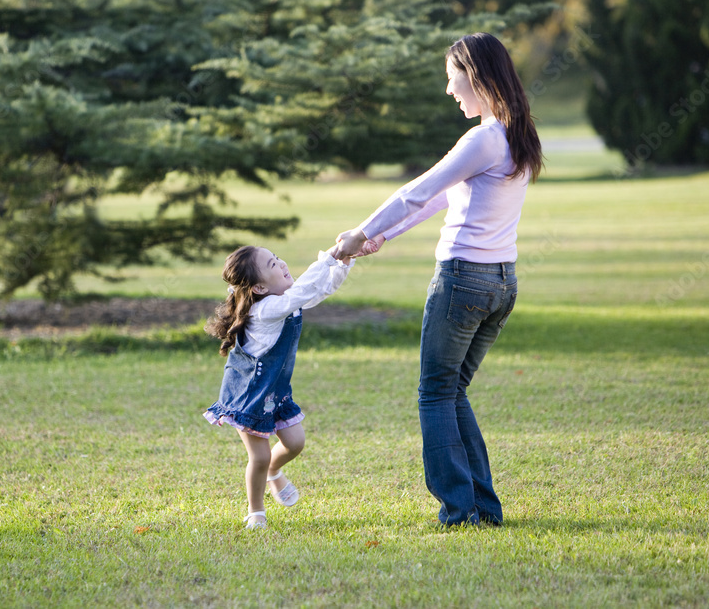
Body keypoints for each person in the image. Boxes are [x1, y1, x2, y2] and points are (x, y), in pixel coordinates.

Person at [331, 32, 543, 526]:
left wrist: (357, 233)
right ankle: (482, 509)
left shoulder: (484, 137)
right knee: (452, 392)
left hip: (462, 282)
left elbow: (416, 189)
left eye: (453, 80)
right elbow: (438, 199)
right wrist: (379, 237)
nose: (449, 90)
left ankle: (459, 509)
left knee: (434, 392)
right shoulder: (515, 134)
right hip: (501, 284)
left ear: (478, 77)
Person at [204, 245, 354, 530]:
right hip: (248, 394)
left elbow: (318, 291)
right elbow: (304, 291)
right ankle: (256, 512)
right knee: (258, 456)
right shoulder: (268, 310)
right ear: (260, 287)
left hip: (274, 391)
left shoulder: (284, 299)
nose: (282, 263)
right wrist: (328, 258)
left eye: (277, 258)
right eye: (272, 265)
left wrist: (343, 264)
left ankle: (274, 470)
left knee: (295, 443)